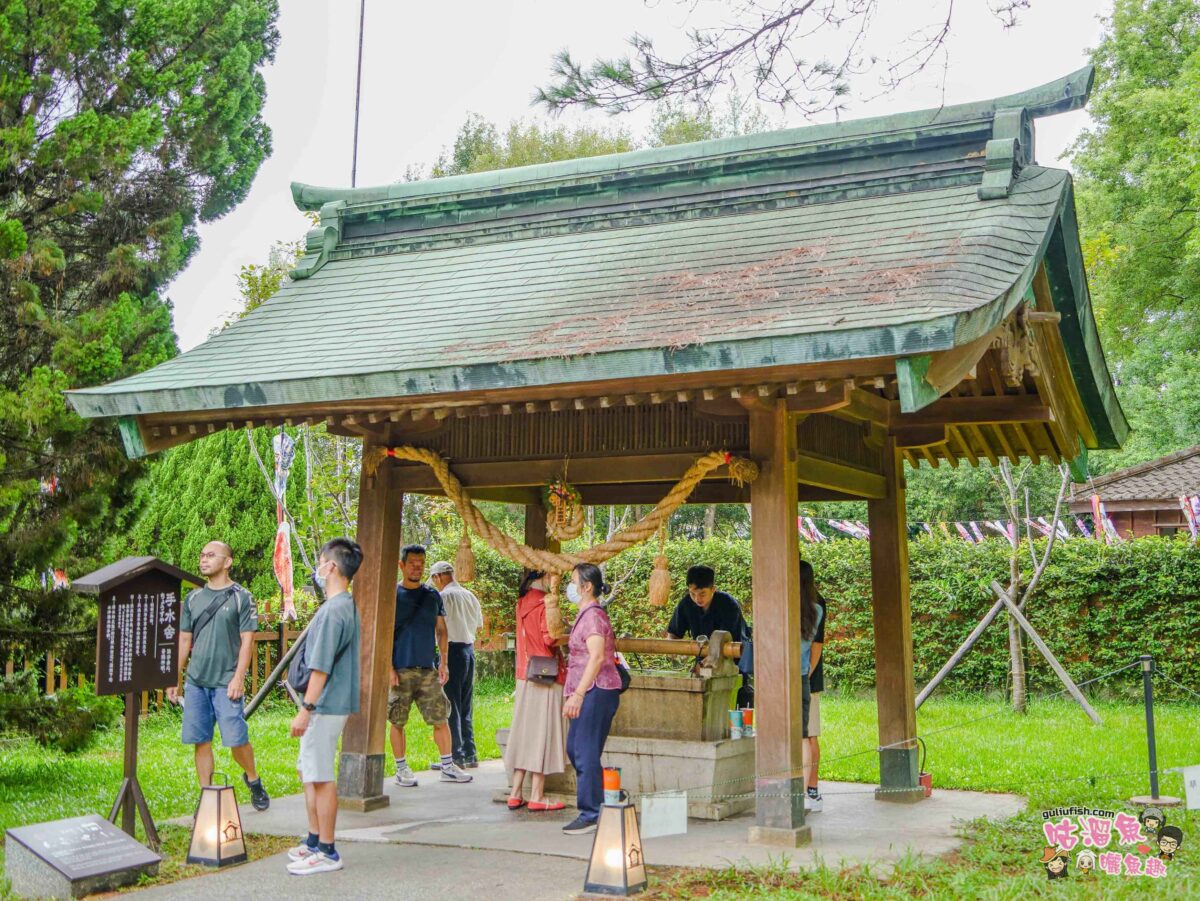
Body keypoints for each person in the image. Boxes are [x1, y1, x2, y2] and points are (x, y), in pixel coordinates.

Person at [168, 540, 269, 811]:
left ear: (227, 562)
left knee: (236, 739)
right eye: (201, 555)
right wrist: (174, 678)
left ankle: (253, 778)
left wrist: (238, 678)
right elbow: (184, 640)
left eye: (211, 555)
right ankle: (208, 799)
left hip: (226, 682)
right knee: (201, 741)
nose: (203, 560)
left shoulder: (242, 597)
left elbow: (247, 641)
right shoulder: (192, 599)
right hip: (196, 682)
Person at [286, 538, 363, 875]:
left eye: (320, 561)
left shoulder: (335, 610)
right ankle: (315, 841)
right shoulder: (341, 605)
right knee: (310, 771)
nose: (318, 567)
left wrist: (306, 708)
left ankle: (328, 850)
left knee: (320, 776)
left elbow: (321, 667)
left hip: (325, 703)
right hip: (328, 702)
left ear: (331, 567)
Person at [388, 545, 472, 786]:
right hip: (400, 668)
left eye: (421, 562)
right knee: (397, 720)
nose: (417, 566)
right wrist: (388, 668)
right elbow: (381, 633)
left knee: (441, 717)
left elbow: (442, 630)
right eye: (412, 562)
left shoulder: (432, 595)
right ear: (401, 565)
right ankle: (401, 768)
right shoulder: (392, 595)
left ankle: (447, 765)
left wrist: (443, 662)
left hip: (427, 668)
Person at [562, 563, 622, 835]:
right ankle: (608, 793)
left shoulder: (594, 617)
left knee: (584, 753)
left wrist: (577, 694)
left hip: (596, 690)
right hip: (586, 690)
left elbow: (597, 657)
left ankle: (591, 812)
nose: (569, 587)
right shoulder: (585, 614)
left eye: (573, 581)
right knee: (574, 749)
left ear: (586, 587)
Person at [505, 570, 568, 812]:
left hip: (525, 674)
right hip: (547, 674)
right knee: (542, 733)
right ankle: (538, 795)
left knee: (524, 733)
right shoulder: (545, 603)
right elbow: (550, 639)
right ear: (542, 577)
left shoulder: (522, 603)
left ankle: (515, 792)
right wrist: (570, 635)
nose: (557, 581)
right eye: (553, 576)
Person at [665, 565, 753, 707]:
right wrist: (673, 649)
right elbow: (673, 634)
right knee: (702, 706)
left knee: (731, 708)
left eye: (702, 594)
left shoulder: (728, 604)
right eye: (693, 593)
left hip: (732, 664)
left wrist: (702, 666)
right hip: (703, 664)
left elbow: (726, 643)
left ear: (713, 589)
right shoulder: (686, 604)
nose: (697, 599)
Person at [429, 561, 484, 769]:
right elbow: (478, 624)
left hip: (450, 651)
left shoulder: (443, 597)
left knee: (450, 704)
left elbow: (439, 629)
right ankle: (470, 754)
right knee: (465, 704)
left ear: (439, 577)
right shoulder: (470, 596)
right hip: (469, 650)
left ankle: (455, 756)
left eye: (434, 579)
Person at [799, 559, 823, 811]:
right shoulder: (817, 609)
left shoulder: (785, 606)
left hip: (790, 677)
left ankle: (806, 790)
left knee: (804, 735)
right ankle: (805, 791)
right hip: (803, 675)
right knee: (805, 737)